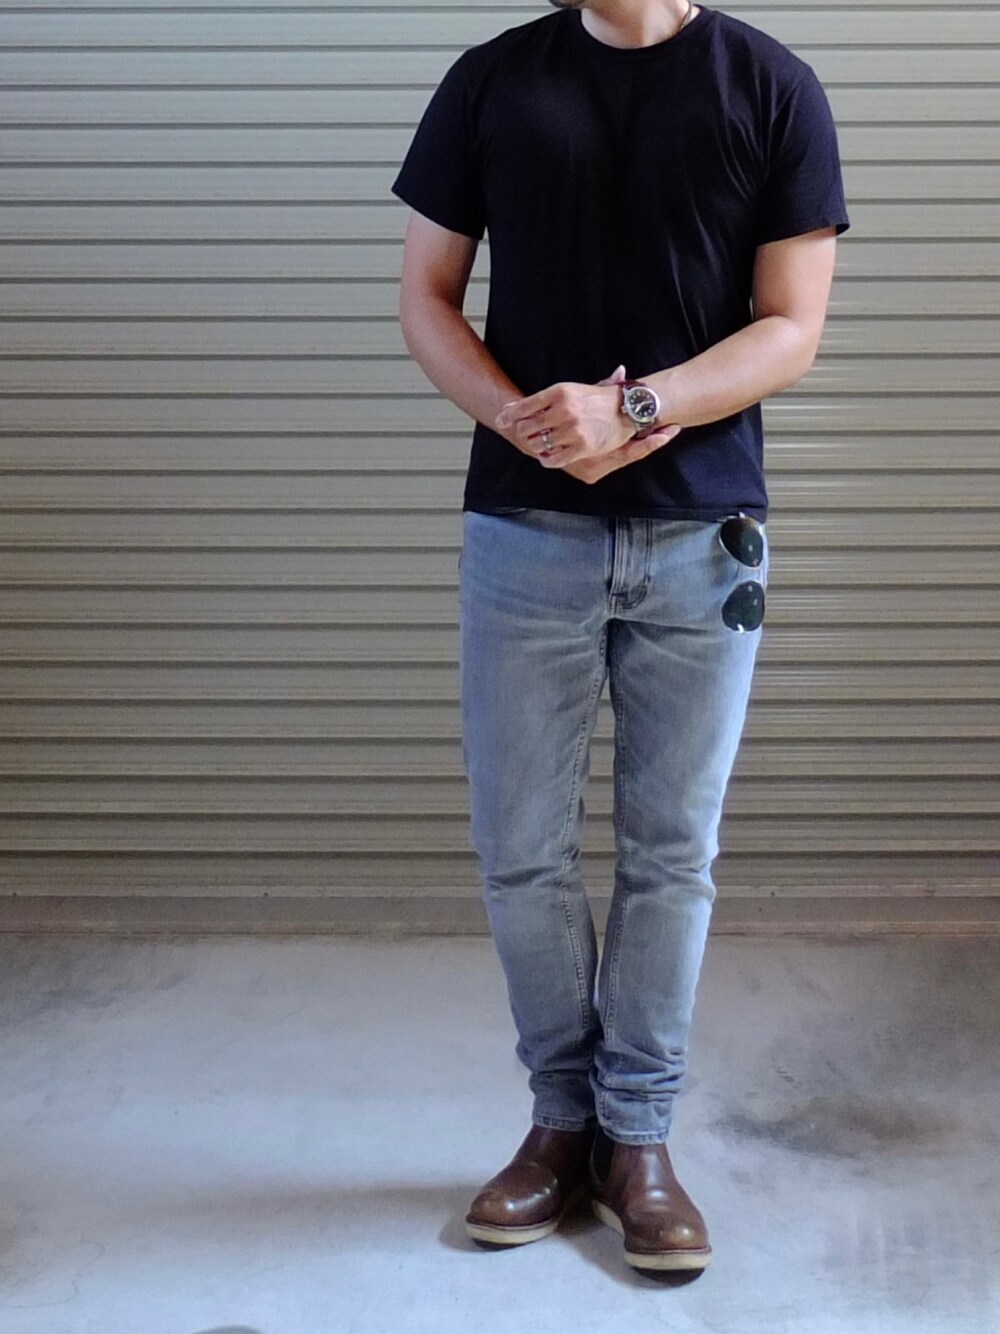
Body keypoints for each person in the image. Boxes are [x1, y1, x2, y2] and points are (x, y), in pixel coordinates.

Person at [391, 0, 849, 1273]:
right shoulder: (492, 80)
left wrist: (633, 408)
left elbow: (791, 325)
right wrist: (527, 423)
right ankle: (561, 1120)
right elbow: (425, 296)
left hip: (704, 537)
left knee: (671, 853)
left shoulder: (770, 85)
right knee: (519, 848)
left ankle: (636, 1136)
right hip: (522, 530)